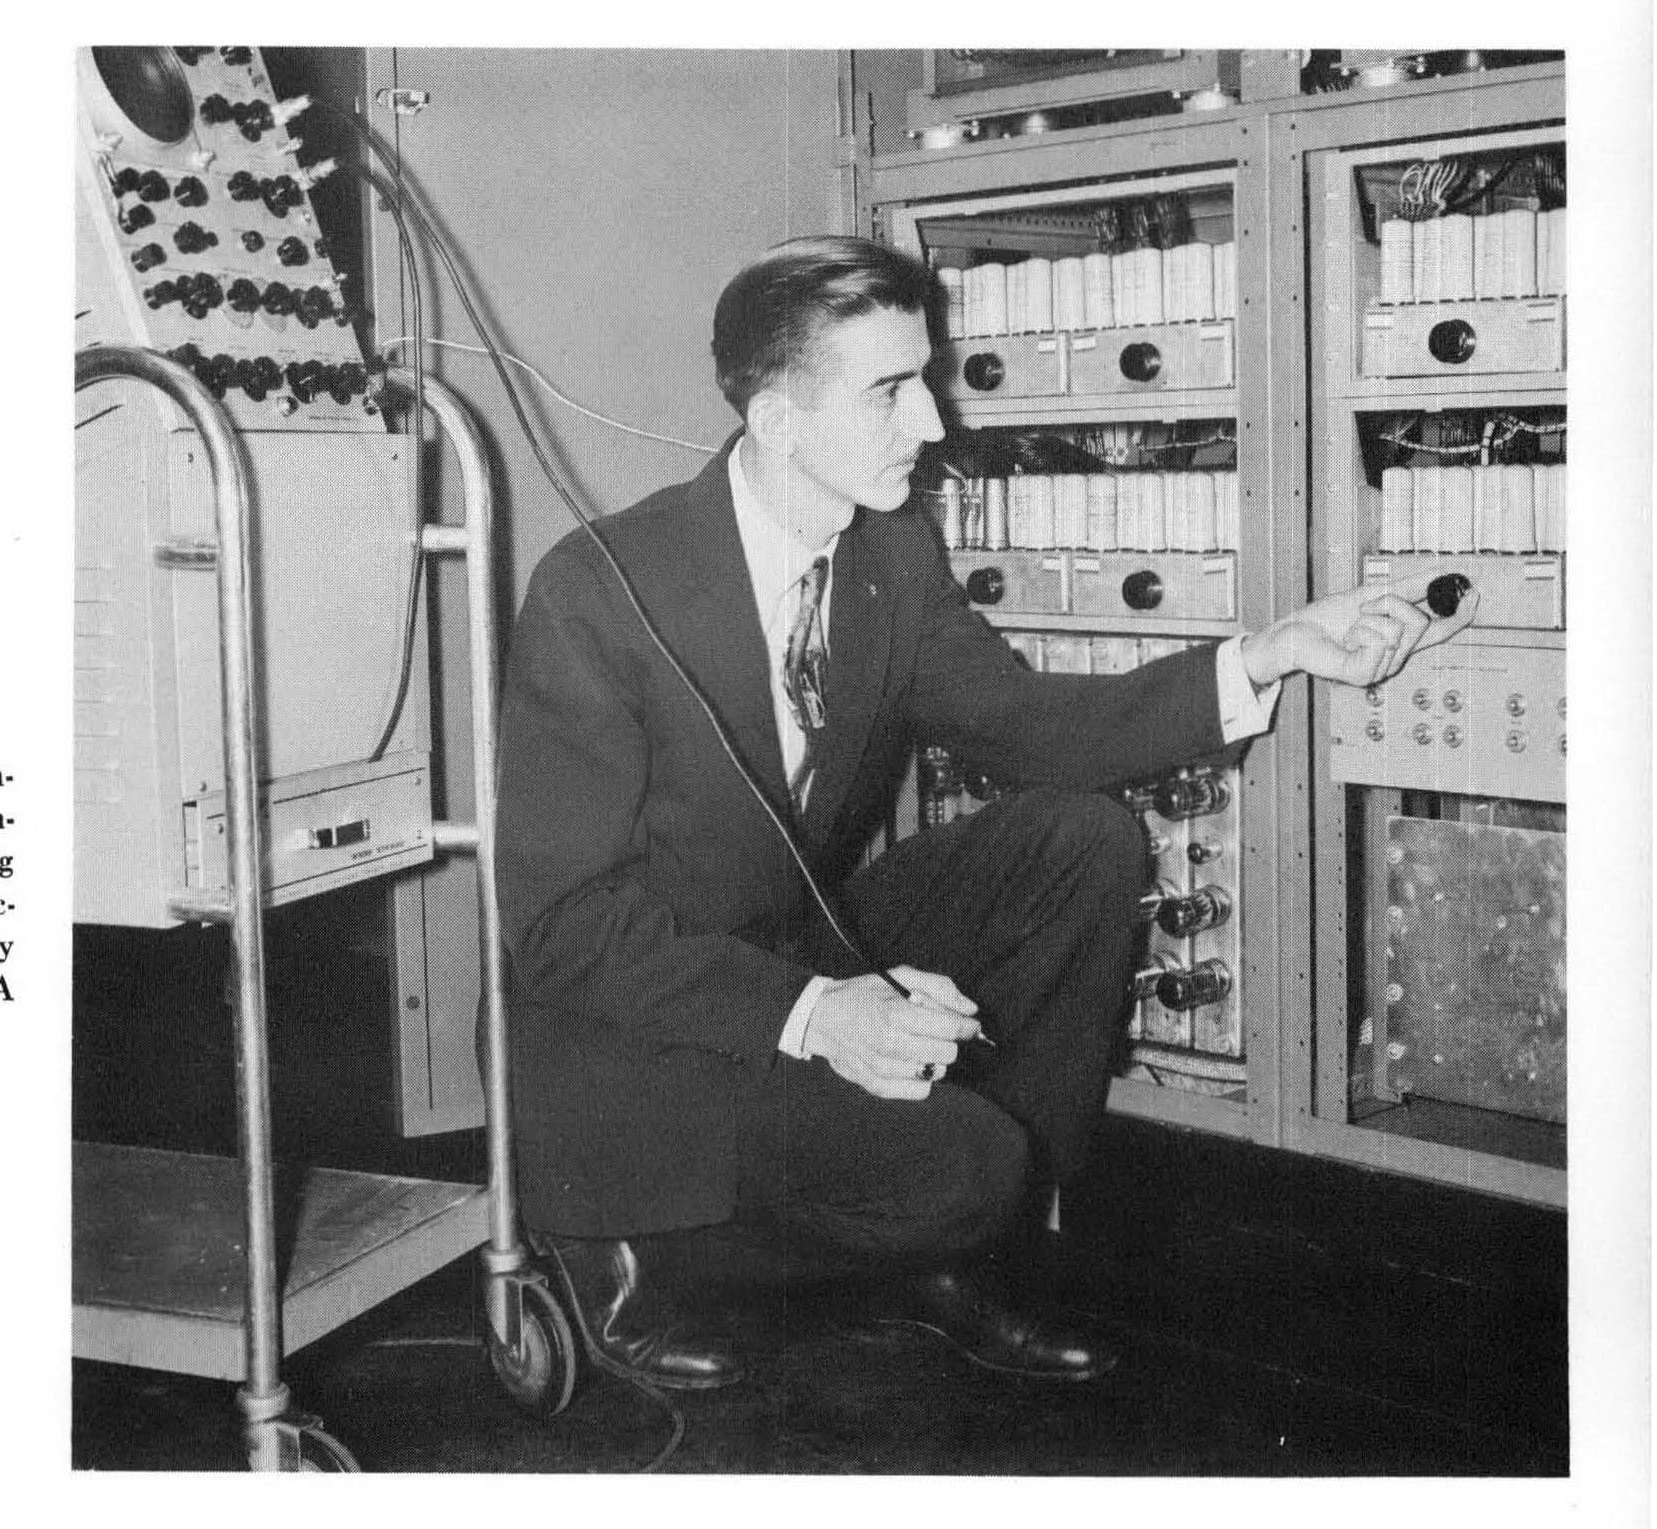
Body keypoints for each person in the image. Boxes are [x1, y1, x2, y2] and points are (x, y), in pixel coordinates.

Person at [493, 234, 1478, 1391]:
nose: (933, 424)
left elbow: (1031, 727)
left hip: (791, 945)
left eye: (928, 377)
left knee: (1080, 839)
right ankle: (642, 1248)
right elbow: (559, 925)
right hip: (631, 1024)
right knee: (962, 1166)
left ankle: (957, 1264)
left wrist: (1270, 653)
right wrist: (817, 1011)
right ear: (776, 421)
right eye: (890, 390)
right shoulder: (598, 588)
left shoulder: (887, 547)